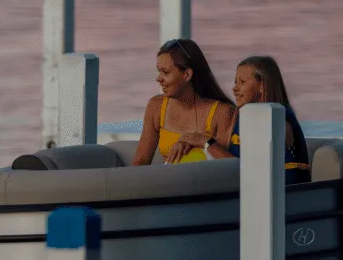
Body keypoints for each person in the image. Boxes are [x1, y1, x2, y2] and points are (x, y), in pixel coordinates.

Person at [131, 38, 237, 166]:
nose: (158, 78)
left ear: (187, 74)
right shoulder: (156, 106)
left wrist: (205, 141)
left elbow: (232, 167)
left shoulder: (222, 112)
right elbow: (141, 161)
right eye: (159, 71)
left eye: (166, 72)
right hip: (169, 177)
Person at [220, 55, 311, 183]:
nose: (235, 88)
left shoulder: (279, 123)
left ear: (262, 86)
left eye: (242, 82)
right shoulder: (245, 117)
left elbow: (246, 169)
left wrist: (207, 144)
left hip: (286, 193)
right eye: (236, 82)